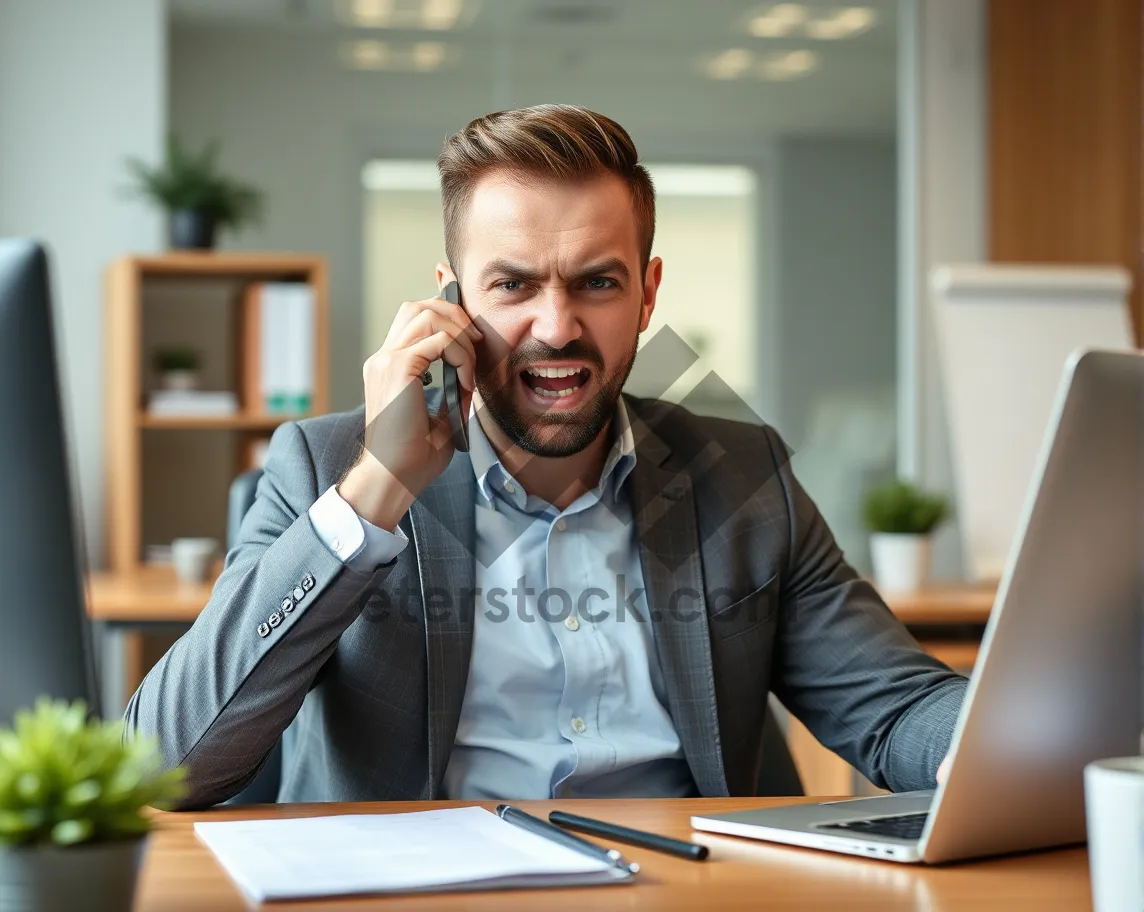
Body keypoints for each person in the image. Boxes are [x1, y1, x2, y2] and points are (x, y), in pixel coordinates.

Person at [126, 104, 966, 808]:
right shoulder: (324, 466)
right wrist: (376, 492)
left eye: (596, 282)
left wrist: (1032, 733)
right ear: (451, 297)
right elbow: (161, 765)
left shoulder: (742, 475)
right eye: (514, 284)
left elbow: (895, 711)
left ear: (648, 294)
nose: (557, 326)